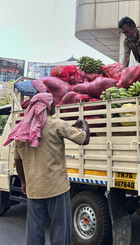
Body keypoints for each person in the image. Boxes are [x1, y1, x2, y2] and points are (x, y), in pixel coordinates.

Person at [4, 93, 90, 245]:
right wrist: (83, 123)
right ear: (48, 107)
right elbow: (85, 139)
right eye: (53, 104)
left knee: (34, 230)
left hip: (34, 189)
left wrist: (24, 182)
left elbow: (18, 161)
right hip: (57, 188)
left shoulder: (21, 129)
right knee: (59, 229)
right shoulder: (57, 124)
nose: (55, 107)